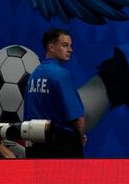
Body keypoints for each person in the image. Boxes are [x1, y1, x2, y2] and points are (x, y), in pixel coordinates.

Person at [23, 28, 86, 158]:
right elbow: (78, 118)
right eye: (64, 45)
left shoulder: (34, 76)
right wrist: (80, 139)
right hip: (61, 148)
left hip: (36, 146)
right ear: (51, 47)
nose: (70, 50)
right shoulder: (60, 75)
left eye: (70, 46)